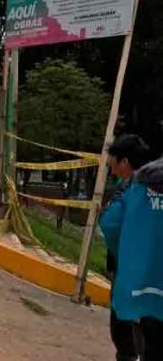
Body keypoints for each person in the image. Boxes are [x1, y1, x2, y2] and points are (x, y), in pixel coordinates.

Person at [100, 138, 163, 361]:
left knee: (124, 323)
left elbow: (110, 224)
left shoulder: (133, 185)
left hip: (135, 271)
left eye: (112, 160)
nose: (110, 165)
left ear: (124, 161)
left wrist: (126, 254)